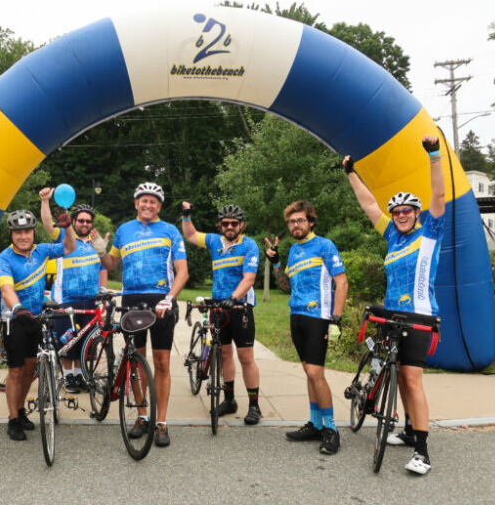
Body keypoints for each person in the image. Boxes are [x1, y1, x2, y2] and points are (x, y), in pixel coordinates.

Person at [342, 135, 446, 475]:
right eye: (397, 212)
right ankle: (408, 428)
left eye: (407, 211)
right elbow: (370, 205)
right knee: (398, 377)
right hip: (391, 316)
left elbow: (440, 195)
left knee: (412, 380)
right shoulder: (392, 236)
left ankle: (423, 452)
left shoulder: (428, 233)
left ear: (417, 214)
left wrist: (433, 156)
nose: (401, 215)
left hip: (419, 316)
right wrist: (351, 173)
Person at [94, 182, 188, 447]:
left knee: (161, 363)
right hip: (132, 300)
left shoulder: (170, 230)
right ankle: (142, 416)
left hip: (161, 301)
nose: (148, 205)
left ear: (159, 206)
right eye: (144, 201)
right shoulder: (124, 230)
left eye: (154, 202)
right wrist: (101, 250)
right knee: (136, 361)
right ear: (136, 203)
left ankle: (162, 423)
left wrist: (170, 298)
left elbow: (182, 271)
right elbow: (112, 264)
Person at [265, 200, 348, 455]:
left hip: (318, 316)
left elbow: (342, 282)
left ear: (310, 221)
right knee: (308, 372)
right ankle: (315, 423)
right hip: (296, 315)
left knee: (315, 372)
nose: (295, 225)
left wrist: (335, 318)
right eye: (291, 221)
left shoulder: (324, 245)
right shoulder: (294, 250)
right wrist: (277, 262)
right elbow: (287, 286)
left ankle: (331, 429)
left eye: (300, 220)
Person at [0, 208, 76, 440]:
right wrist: (17, 307)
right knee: (16, 370)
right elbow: (6, 288)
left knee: (31, 369)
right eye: (18, 232)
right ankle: (12, 419)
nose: (23, 237)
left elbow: (70, 247)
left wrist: (67, 226)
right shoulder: (4, 258)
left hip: (37, 319)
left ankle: (20, 410)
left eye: (27, 232)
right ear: (11, 234)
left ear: (33, 232)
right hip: (15, 320)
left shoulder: (41, 251)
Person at [180, 202, 263, 425]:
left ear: (241, 225)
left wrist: (233, 298)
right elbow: (190, 235)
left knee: (246, 358)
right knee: (225, 355)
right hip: (218, 307)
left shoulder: (249, 245)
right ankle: (229, 400)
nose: (229, 226)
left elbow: (249, 278)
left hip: (239, 307)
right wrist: (186, 214)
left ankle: (254, 406)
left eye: (234, 223)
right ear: (220, 225)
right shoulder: (214, 242)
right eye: (225, 223)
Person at [39, 188, 107, 393]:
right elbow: (47, 223)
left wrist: (103, 291)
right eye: (81, 220)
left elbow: (102, 268)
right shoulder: (63, 236)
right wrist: (45, 201)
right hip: (66, 298)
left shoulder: (96, 242)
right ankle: (69, 378)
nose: (84, 224)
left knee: (85, 342)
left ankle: (80, 376)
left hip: (90, 300)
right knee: (68, 340)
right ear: (74, 221)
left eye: (88, 221)